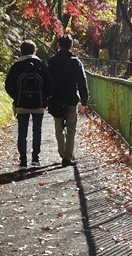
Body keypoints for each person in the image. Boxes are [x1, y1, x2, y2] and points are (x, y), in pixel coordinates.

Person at [5, 40, 53, 170]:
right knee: (37, 131)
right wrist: (44, 98)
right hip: (38, 104)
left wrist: (17, 97)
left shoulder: (17, 66)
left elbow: (8, 85)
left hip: (21, 104)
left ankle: (23, 161)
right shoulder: (41, 65)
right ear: (34, 50)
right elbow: (49, 85)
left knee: (22, 132)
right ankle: (35, 159)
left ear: (21, 51)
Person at [47, 34, 88, 167]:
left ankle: (62, 151)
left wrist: (47, 98)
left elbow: (47, 81)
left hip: (56, 99)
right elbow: (82, 82)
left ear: (58, 45)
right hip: (71, 99)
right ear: (71, 46)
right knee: (71, 129)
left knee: (58, 127)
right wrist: (84, 101)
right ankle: (67, 157)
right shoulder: (76, 62)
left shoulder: (51, 61)